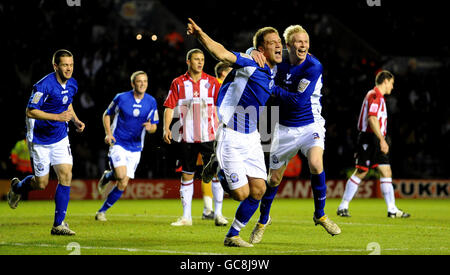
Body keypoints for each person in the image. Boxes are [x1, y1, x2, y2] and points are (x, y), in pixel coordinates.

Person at [187, 18, 283, 247]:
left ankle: (232, 235)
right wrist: (200, 34)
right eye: (272, 43)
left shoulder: (275, 68)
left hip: (252, 138)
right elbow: (222, 54)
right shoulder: (250, 62)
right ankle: (218, 166)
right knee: (241, 194)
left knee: (259, 190)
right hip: (230, 134)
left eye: (280, 41)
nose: (279, 46)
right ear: (261, 49)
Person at [248, 25, 341, 244]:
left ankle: (320, 214)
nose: (303, 46)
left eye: (305, 42)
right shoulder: (279, 62)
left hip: (311, 124)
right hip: (284, 128)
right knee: (273, 178)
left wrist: (270, 86)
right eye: (298, 42)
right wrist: (253, 52)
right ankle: (262, 221)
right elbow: (259, 52)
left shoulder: (313, 65)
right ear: (288, 45)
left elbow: (297, 101)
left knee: (316, 164)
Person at [7, 49, 85, 236]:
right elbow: (30, 111)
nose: (69, 69)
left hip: (60, 136)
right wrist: (57, 117)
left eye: (71, 65)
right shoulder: (43, 86)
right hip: (40, 139)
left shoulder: (72, 84)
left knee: (66, 174)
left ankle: (58, 225)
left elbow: (67, 103)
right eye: (65, 65)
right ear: (55, 66)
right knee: (41, 183)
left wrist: (75, 120)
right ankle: (17, 187)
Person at [163, 48, 228, 227]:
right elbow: (169, 106)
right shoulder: (178, 83)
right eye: (196, 59)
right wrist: (166, 128)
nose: (200, 62)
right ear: (188, 61)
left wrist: (224, 128)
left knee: (215, 173)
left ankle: (219, 215)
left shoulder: (214, 82)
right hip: (187, 136)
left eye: (202, 59)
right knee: (187, 174)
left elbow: (222, 107)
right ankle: (186, 217)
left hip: (210, 135)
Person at [337, 70, 410, 218]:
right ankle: (343, 206)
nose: (392, 87)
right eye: (392, 83)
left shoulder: (379, 97)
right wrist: (382, 139)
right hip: (368, 138)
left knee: (386, 171)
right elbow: (372, 118)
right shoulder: (374, 95)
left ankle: (392, 210)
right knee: (362, 171)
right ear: (385, 81)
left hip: (375, 138)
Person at [95, 71, 159, 221]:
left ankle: (101, 211)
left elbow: (154, 125)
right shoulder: (121, 98)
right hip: (119, 143)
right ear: (133, 84)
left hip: (136, 147)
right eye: (139, 81)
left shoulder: (151, 101)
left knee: (123, 183)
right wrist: (108, 133)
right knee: (121, 175)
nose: (143, 84)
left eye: (145, 81)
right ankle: (109, 175)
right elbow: (107, 114)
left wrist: (151, 128)